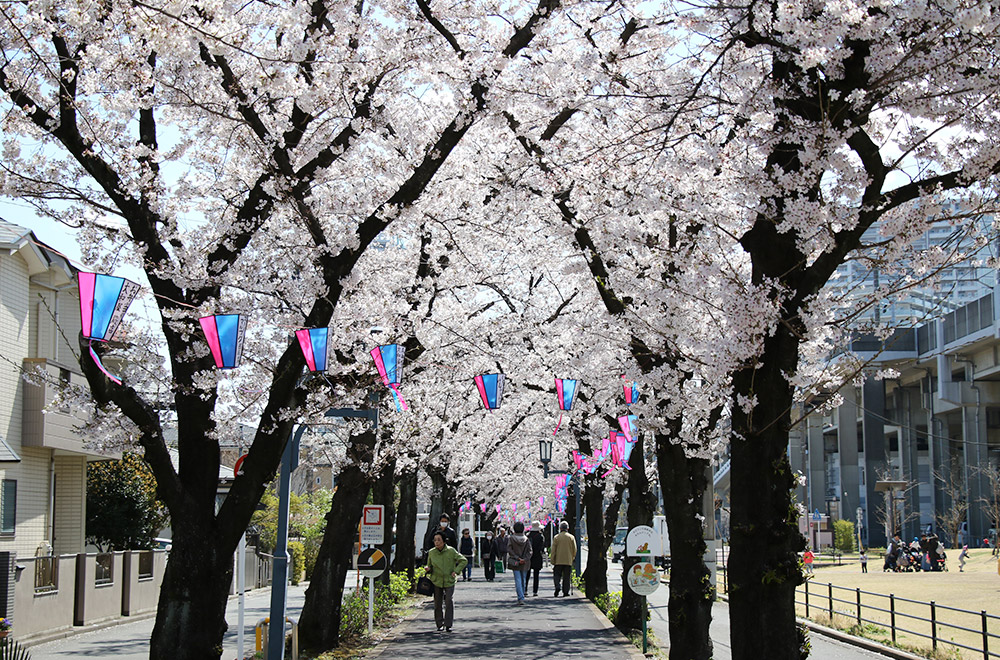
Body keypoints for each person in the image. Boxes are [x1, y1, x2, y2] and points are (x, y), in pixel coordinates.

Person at [425, 530, 468, 632]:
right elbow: (429, 565)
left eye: (439, 540)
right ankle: (439, 623)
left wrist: (456, 571)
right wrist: (428, 569)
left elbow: (463, 560)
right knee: (437, 603)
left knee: (448, 601)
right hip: (436, 580)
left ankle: (448, 624)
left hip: (449, 580)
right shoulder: (431, 552)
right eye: (435, 540)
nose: (437, 542)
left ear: (444, 541)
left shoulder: (451, 551)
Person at [506, 522, 533, 604]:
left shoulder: (511, 538)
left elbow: (509, 549)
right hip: (525, 562)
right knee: (523, 579)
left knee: (517, 579)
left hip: (516, 562)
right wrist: (525, 559)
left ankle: (520, 597)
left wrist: (517, 557)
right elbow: (530, 551)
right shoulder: (526, 539)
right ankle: (522, 595)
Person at [550, 520, 577, 597]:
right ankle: (565, 592)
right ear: (567, 528)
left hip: (558, 560)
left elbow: (553, 550)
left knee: (557, 575)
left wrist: (552, 560)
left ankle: (557, 586)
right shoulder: (571, 537)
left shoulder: (556, 537)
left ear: (560, 528)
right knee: (567, 576)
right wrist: (572, 557)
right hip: (568, 560)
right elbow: (574, 549)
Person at [527, 521, 546, 596]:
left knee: (527, 574)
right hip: (537, 556)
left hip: (529, 557)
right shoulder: (540, 536)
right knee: (536, 575)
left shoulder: (528, 536)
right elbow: (542, 547)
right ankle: (535, 591)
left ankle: (525, 589)